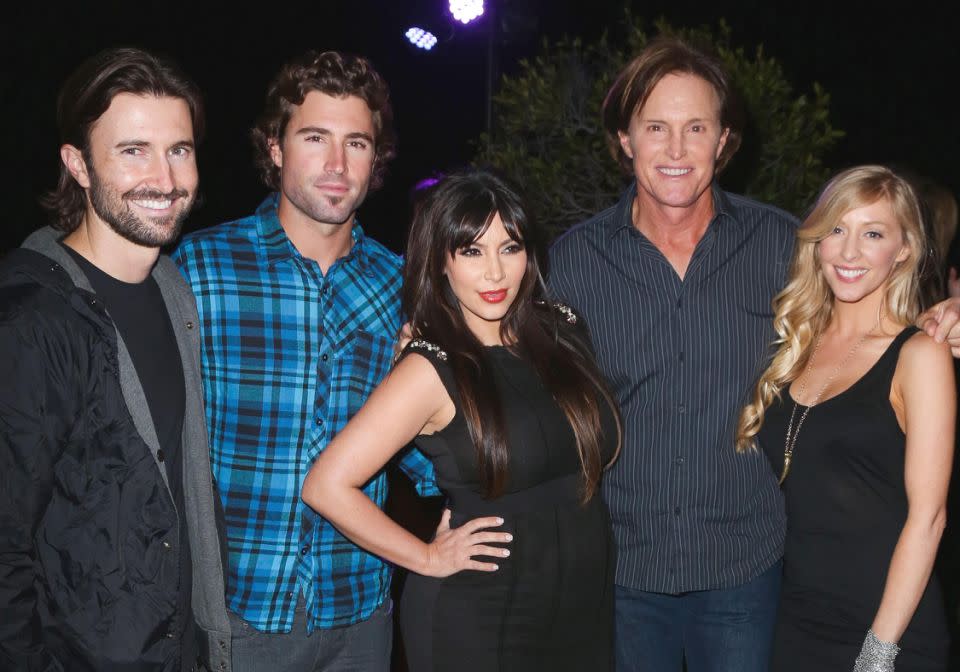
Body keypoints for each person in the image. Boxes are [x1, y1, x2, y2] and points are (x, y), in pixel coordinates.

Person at [547, 35, 960, 671]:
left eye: (696, 127)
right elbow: (531, 389)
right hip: (626, 571)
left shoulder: (782, 246)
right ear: (625, 140)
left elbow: (868, 319)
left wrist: (947, 316)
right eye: (655, 127)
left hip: (751, 574)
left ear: (724, 140)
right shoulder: (575, 260)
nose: (677, 149)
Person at [172, 50, 438, 672]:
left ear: (377, 160)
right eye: (315, 138)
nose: (338, 164)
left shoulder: (400, 288)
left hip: (362, 614)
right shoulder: (200, 268)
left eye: (357, 143)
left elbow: (425, 456)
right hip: (235, 613)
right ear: (275, 148)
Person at [302, 170, 622, 671]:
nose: (495, 273)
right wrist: (426, 557)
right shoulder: (430, 367)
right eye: (472, 251)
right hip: (481, 618)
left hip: (583, 611)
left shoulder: (565, 331)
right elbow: (325, 485)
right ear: (442, 263)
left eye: (509, 247)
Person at [0, 48, 231, 671]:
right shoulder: (32, 322)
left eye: (179, 149)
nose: (165, 177)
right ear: (78, 164)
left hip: (181, 649)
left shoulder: (176, 294)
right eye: (133, 151)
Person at [737, 165, 954, 671]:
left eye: (872, 233)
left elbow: (929, 518)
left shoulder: (920, 354)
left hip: (889, 628)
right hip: (796, 621)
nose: (850, 251)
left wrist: (879, 652)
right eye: (836, 229)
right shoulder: (795, 346)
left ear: (903, 249)